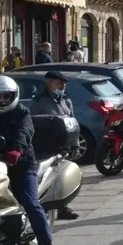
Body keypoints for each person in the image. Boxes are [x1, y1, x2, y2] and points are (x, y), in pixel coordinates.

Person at [0, 76, 56, 245]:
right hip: (0, 166)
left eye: (6, 97)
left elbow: (24, 133)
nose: (2, 101)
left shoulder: (22, 113)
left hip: (21, 166)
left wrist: (17, 150)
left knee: (31, 203)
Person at [31, 71, 79, 220]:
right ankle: (46, 207)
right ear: (50, 83)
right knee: (48, 178)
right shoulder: (39, 100)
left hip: (64, 145)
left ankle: (63, 207)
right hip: (46, 145)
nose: (63, 87)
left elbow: (73, 122)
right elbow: (32, 123)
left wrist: (75, 145)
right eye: (60, 84)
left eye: (64, 84)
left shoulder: (66, 99)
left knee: (63, 177)